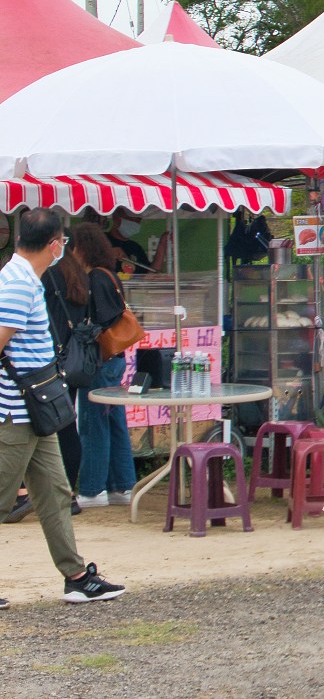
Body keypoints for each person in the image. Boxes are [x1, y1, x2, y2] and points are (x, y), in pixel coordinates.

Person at [0, 209, 127, 604]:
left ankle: (75, 575)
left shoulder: (22, 276)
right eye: (63, 244)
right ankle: (75, 576)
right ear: (55, 244)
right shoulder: (18, 283)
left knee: (55, 494)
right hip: (17, 413)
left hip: (36, 411)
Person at [69, 222, 137, 509]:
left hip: (99, 359)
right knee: (114, 421)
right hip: (116, 359)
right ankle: (123, 485)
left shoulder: (94, 278)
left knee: (93, 422)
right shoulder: (110, 275)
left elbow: (99, 321)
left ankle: (93, 488)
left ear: (81, 248)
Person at [40, 209, 85, 513]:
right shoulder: (78, 275)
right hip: (75, 360)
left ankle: (51, 494)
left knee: (46, 428)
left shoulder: (47, 274)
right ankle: (70, 492)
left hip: (51, 362)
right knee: (68, 426)